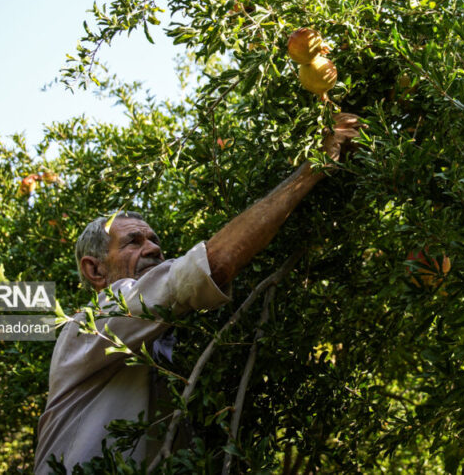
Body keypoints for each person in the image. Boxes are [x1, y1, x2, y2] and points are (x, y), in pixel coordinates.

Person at [33, 113, 361, 473]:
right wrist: (313, 169)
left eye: (155, 240)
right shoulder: (90, 325)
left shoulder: (173, 336)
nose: (154, 249)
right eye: (133, 242)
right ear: (95, 270)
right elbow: (211, 266)